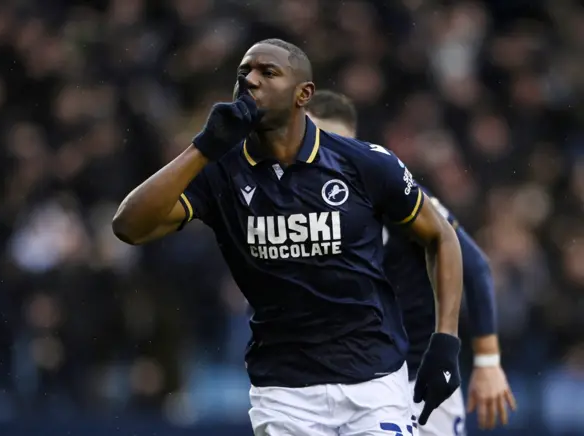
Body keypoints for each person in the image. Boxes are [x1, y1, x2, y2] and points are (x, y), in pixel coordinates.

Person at [112, 39, 464, 436]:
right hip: (284, 392)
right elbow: (129, 226)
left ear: (304, 94)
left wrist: (445, 341)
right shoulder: (220, 172)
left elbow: (440, 236)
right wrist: (203, 148)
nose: (251, 81)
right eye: (244, 73)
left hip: (375, 381)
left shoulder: (364, 163)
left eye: (268, 72)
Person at [306, 90, 518, 435]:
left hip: (418, 376)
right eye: (317, 143)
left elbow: (474, 264)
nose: (327, 156)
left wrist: (488, 362)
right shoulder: (292, 205)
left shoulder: (391, 192)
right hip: (346, 379)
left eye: (337, 142)